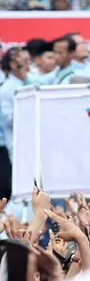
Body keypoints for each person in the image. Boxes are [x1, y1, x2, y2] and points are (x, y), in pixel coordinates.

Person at [0, 49, 28, 199]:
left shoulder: (27, 83)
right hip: (13, 147)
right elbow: (9, 119)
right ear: (13, 65)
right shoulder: (7, 90)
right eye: (25, 63)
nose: (29, 67)